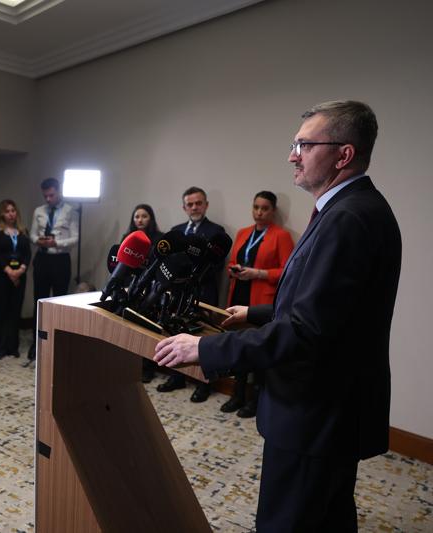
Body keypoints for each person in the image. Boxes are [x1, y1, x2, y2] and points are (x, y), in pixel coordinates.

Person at [154, 101, 401, 532]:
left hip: (316, 409)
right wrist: (254, 311)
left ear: (343, 155)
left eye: (304, 145)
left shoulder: (348, 218)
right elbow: (328, 307)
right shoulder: (352, 208)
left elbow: (307, 331)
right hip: (330, 407)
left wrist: (206, 348)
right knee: (327, 518)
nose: (292, 155)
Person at [221, 191, 294, 418]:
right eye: (256, 207)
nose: (259, 212)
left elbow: (288, 272)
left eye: (264, 208)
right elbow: (232, 262)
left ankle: (255, 400)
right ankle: (237, 394)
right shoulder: (243, 233)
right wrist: (234, 270)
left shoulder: (281, 236)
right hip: (238, 295)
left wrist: (258, 273)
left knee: (259, 349)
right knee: (238, 346)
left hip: (262, 302)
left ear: (273, 211)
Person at [157, 187, 229, 402]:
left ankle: (203, 384)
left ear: (206, 205)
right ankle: (176, 377)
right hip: (176, 294)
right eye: (190, 204)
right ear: (184, 207)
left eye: (198, 203)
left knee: (202, 339)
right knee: (174, 334)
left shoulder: (216, 231)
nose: (194, 207)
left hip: (203, 292)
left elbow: (216, 266)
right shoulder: (176, 231)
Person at [29, 178, 79, 359]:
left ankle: (57, 342)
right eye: (45, 196)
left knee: (59, 301)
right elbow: (32, 234)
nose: (48, 199)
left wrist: (57, 242)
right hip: (42, 258)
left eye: (51, 195)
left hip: (60, 259)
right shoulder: (39, 211)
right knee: (39, 301)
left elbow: (75, 238)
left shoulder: (70, 210)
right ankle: (36, 343)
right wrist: (39, 240)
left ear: (59, 191)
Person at [123, 203, 161, 383]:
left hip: (152, 289)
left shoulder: (160, 240)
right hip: (131, 288)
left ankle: (147, 368)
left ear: (151, 219)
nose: (140, 220)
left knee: (147, 330)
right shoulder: (127, 238)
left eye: (144, 216)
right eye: (137, 216)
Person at [0, 199, 31, 359]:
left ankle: (12, 346)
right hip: (1, 276)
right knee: (0, 311)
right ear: (2, 214)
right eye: (7, 211)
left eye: (13, 210)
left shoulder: (23, 231)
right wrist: (9, 271)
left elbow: (27, 253)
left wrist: (20, 270)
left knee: (15, 311)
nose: (11, 214)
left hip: (20, 277)